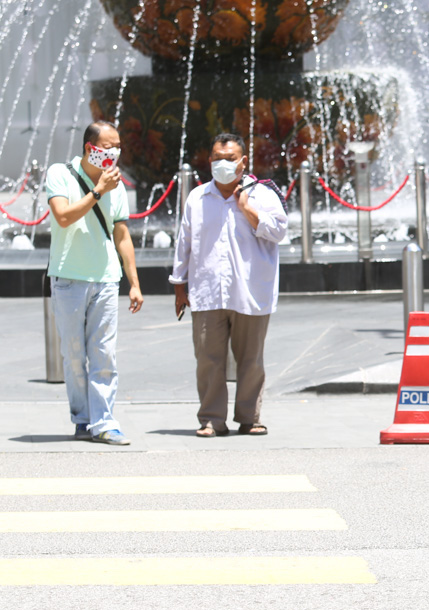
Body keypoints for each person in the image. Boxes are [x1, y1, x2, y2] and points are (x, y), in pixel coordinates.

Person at [169, 133, 288, 437]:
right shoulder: (198, 197)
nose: (223, 164)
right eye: (218, 158)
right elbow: (185, 243)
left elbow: (279, 232)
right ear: (209, 161)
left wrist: (245, 206)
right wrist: (179, 286)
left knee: (251, 360)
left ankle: (249, 417)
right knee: (208, 359)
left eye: (230, 158)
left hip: (251, 290)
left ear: (243, 161)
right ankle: (211, 419)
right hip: (207, 291)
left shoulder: (262, 194)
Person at [45, 120, 143, 446]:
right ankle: (82, 418)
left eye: (118, 147)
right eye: (109, 147)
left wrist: (134, 282)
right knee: (74, 357)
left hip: (105, 279)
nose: (114, 153)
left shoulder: (117, 184)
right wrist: (99, 190)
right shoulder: (60, 173)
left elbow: (122, 234)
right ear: (91, 148)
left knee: (104, 355)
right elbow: (63, 216)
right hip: (68, 279)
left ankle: (104, 422)